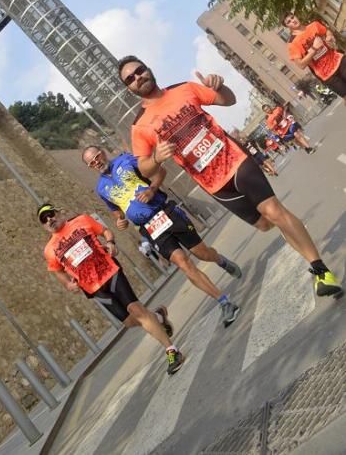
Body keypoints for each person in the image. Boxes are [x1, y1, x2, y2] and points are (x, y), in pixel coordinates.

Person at [117, 56, 343, 299]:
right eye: (130, 79)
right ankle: (299, 239)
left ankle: (321, 271)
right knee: (265, 223)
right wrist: (157, 158)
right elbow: (145, 168)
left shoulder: (184, 89)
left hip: (235, 160)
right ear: (129, 88)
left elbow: (228, 99)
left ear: (148, 68)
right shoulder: (139, 126)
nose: (137, 77)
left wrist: (219, 86)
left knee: (274, 211)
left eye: (139, 70)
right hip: (213, 183)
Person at [82, 146, 241, 327]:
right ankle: (224, 302)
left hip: (166, 212)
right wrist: (120, 221)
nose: (97, 162)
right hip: (149, 229)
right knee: (184, 264)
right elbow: (116, 210)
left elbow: (160, 171)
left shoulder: (127, 160)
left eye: (97, 157)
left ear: (103, 152)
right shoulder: (101, 188)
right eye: (91, 162)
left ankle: (220, 260)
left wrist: (152, 190)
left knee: (202, 253)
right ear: (90, 167)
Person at [39, 203, 184, 375]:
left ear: (58, 212)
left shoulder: (81, 220)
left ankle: (172, 351)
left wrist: (110, 243)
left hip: (110, 271)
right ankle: (158, 318)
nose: (49, 219)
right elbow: (57, 271)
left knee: (135, 309)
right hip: (93, 288)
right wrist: (68, 284)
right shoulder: (49, 250)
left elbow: (105, 231)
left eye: (50, 214)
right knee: (129, 322)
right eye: (44, 219)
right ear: (43, 225)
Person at [282, 13, 346, 103]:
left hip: (338, 59)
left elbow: (327, 31)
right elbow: (301, 65)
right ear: (287, 26)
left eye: (292, 17)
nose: (293, 21)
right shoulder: (293, 44)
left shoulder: (314, 25)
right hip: (326, 74)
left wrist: (329, 37)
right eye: (289, 22)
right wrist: (314, 49)